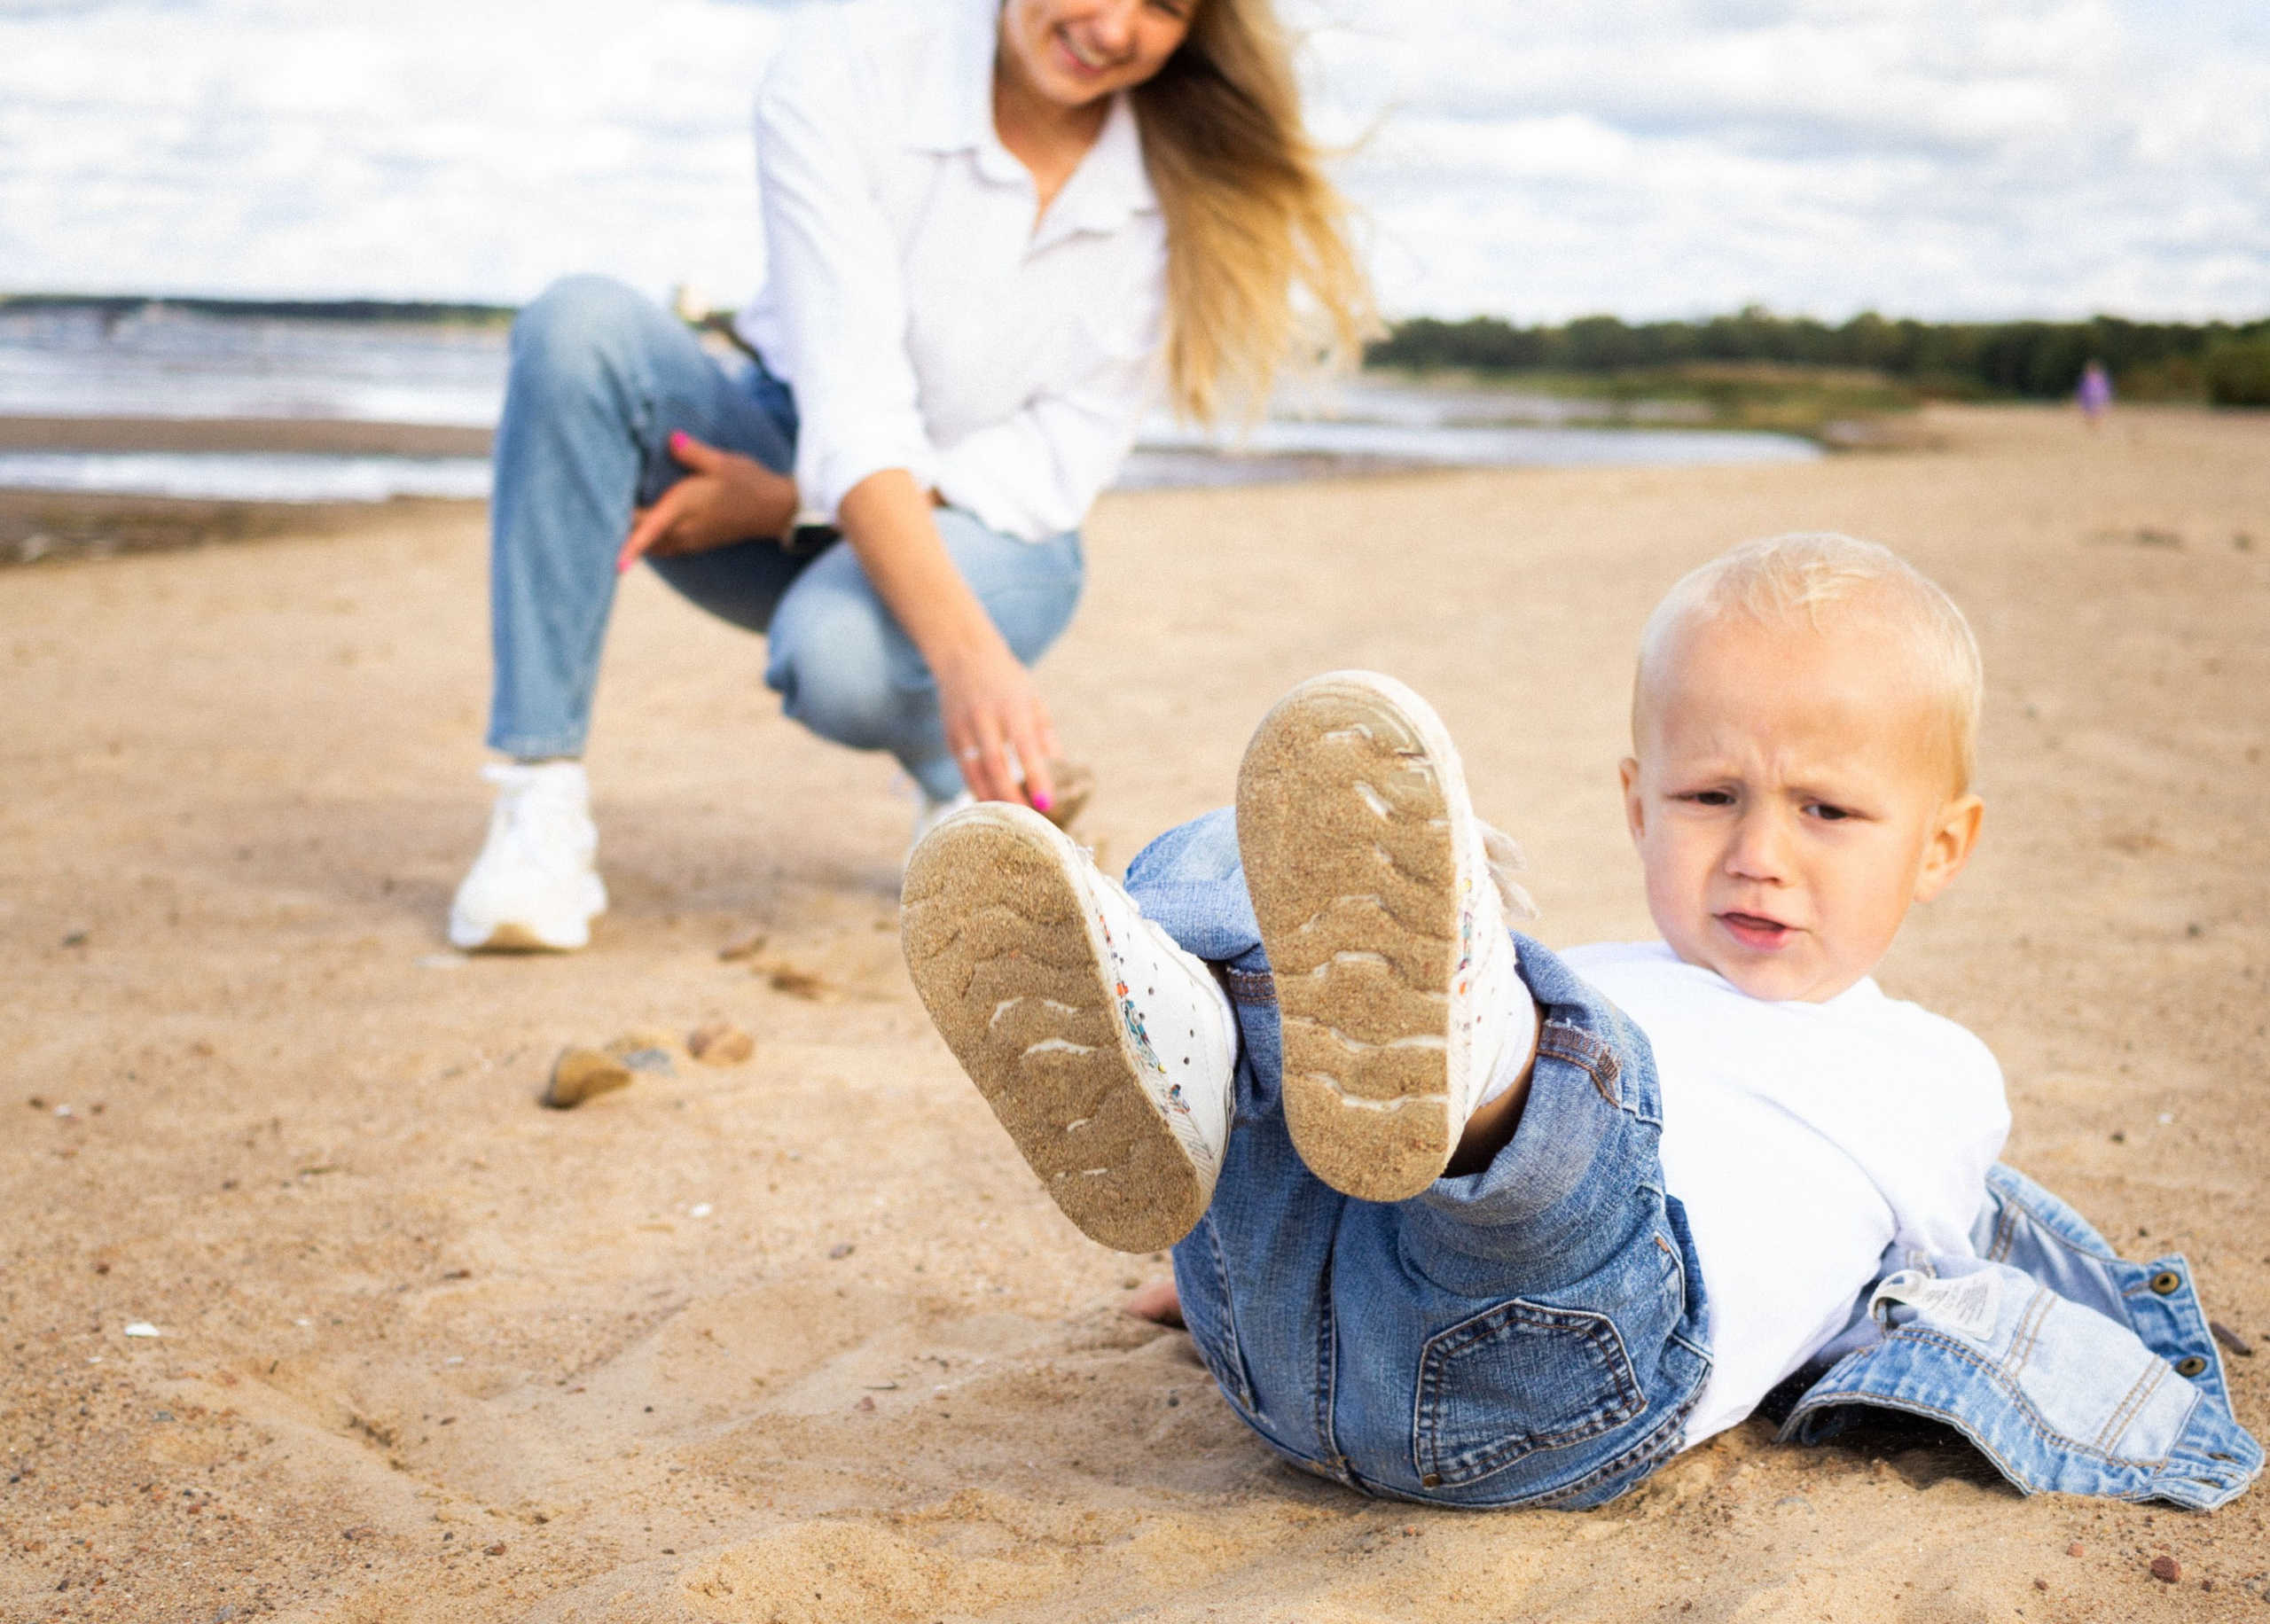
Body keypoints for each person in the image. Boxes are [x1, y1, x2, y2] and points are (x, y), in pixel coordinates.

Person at [901, 532, 2258, 1514]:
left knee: (1573, 1092)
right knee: (1225, 852)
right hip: (1291, 1335)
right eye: (1711, 796)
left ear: (1944, 845)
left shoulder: (1937, 1071)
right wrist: (1206, 1297)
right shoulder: (1609, 970)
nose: (1759, 854)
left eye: (1828, 811)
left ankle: (1462, 1057)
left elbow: (1928, 1297)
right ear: (1635, 804)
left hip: (1567, 1365)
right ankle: (1187, 1061)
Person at [450, 0, 1370, 953]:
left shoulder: (1174, 189)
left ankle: (948, 764)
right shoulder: (847, 71)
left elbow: (1054, 461)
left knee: (834, 660)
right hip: (776, 437)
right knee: (577, 324)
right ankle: (538, 809)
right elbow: (851, 400)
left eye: (1165, 6)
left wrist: (797, 512)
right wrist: (803, 491)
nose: (1116, 24)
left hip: (997, 530)